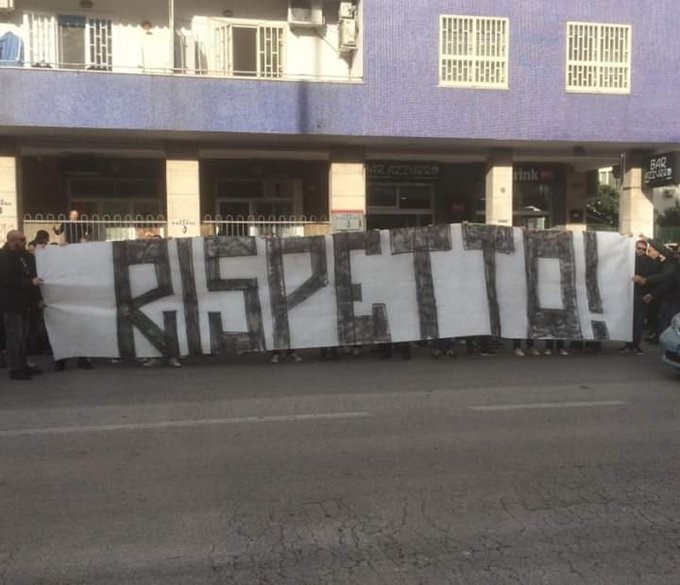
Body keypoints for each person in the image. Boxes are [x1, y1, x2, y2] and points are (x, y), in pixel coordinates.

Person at [0, 230, 43, 380]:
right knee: (14, 336)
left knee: (23, 336)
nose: (24, 243)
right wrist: (29, 283)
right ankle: (16, 369)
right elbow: (7, 280)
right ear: (13, 240)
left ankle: (23, 364)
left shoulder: (22, 256)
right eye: (22, 240)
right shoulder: (3, 257)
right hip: (12, 304)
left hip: (24, 303)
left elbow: (31, 267)